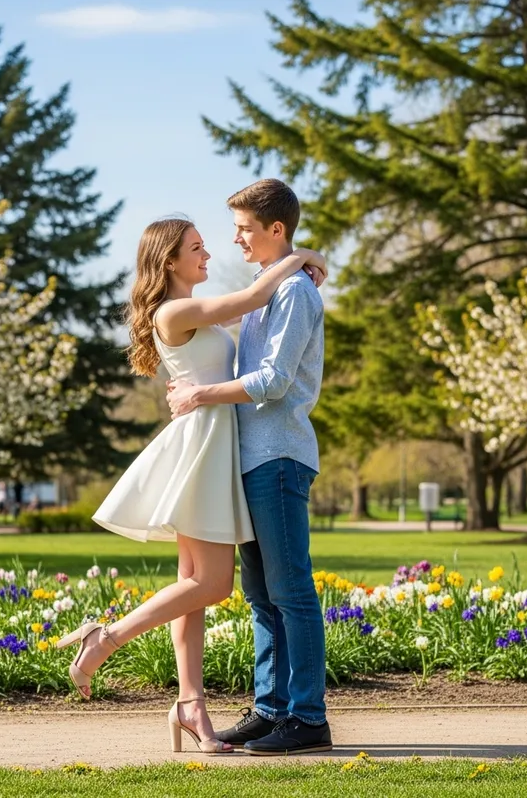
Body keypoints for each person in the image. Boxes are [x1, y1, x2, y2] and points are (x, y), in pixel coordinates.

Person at [56, 215, 326, 755]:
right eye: (197, 248)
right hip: (203, 447)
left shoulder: (186, 309)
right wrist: (302, 259)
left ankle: (191, 705)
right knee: (214, 585)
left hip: (216, 443)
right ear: (169, 260)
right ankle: (103, 639)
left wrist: (298, 260)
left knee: (193, 588)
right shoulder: (176, 310)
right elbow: (250, 297)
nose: (209, 254)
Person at [166, 179, 331, 756]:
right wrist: (306, 260)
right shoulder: (274, 288)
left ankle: (308, 717)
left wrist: (199, 395)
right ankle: (271, 710)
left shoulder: (293, 296)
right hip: (250, 460)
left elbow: (274, 382)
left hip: (279, 457)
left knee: (292, 592)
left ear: (275, 230)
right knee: (263, 595)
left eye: (243, 228)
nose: (234, 238)